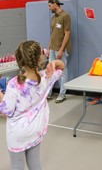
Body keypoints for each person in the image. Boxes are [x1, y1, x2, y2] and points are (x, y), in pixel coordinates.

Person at [0, 40, 64, 170]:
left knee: (17, 166)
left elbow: (5, 111)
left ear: (19, 60)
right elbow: (61, 66)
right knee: (34, 164)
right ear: (39, 59)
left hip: (17, 135)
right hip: (35, 131)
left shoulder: (13, 84)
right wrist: (53, 63)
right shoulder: (46, 77)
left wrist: (0, 94)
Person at [47, 0, 72, 103]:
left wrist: (61, 50)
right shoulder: (53, 18)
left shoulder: (65, 16)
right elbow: (52, 34)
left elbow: (67, 34)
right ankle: (48, 93)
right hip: (52, 49)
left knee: (63, 72)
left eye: (49, 6)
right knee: (50, 71)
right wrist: (48, 48)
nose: (49, 8)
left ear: (55, 4)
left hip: (61, 49)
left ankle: (62, 94)